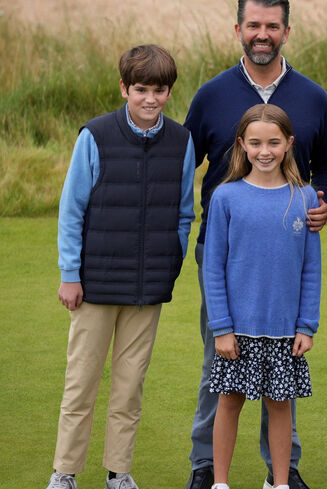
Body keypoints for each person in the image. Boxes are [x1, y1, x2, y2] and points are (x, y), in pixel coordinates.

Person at [182, 0, 327, 488]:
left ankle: (282, 471)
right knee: (220, 363)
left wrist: (322, 199)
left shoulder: (313, 98)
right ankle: (208, 468)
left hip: (288, 250)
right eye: (254, 25)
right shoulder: (211, 96)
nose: (263, 33)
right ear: (239, 29)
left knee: (280, 382)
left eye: (273, 25)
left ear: (286, 31)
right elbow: (183, 164)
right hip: (226, 256)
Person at [47, 44, 195, 489]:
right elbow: (72, 211)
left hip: (147, 289)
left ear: (170, 92)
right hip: (92, 287)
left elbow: (184, 212)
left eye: (160, 90)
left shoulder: (182, 141)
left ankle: (119, 472)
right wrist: (69, 275)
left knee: (129, 388)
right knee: (81, 385)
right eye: (142, 89)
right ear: (124, 88)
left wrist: (172, 260)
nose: (151, 99)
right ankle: (65, 472)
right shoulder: (93, 136)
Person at [203, 104, 320, 489]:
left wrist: (306, 325)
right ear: (242, 145)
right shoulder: (225, 197)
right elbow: (213, 268)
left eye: (273, 142)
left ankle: (280, 482)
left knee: (281, 406)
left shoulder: (304, 199)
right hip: (236, 330)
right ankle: (220, 483)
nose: (264, 151)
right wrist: (221, 328)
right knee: (229, 402)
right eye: (255, 143)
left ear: (289, 143)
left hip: (284, 330)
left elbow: (310, 270)